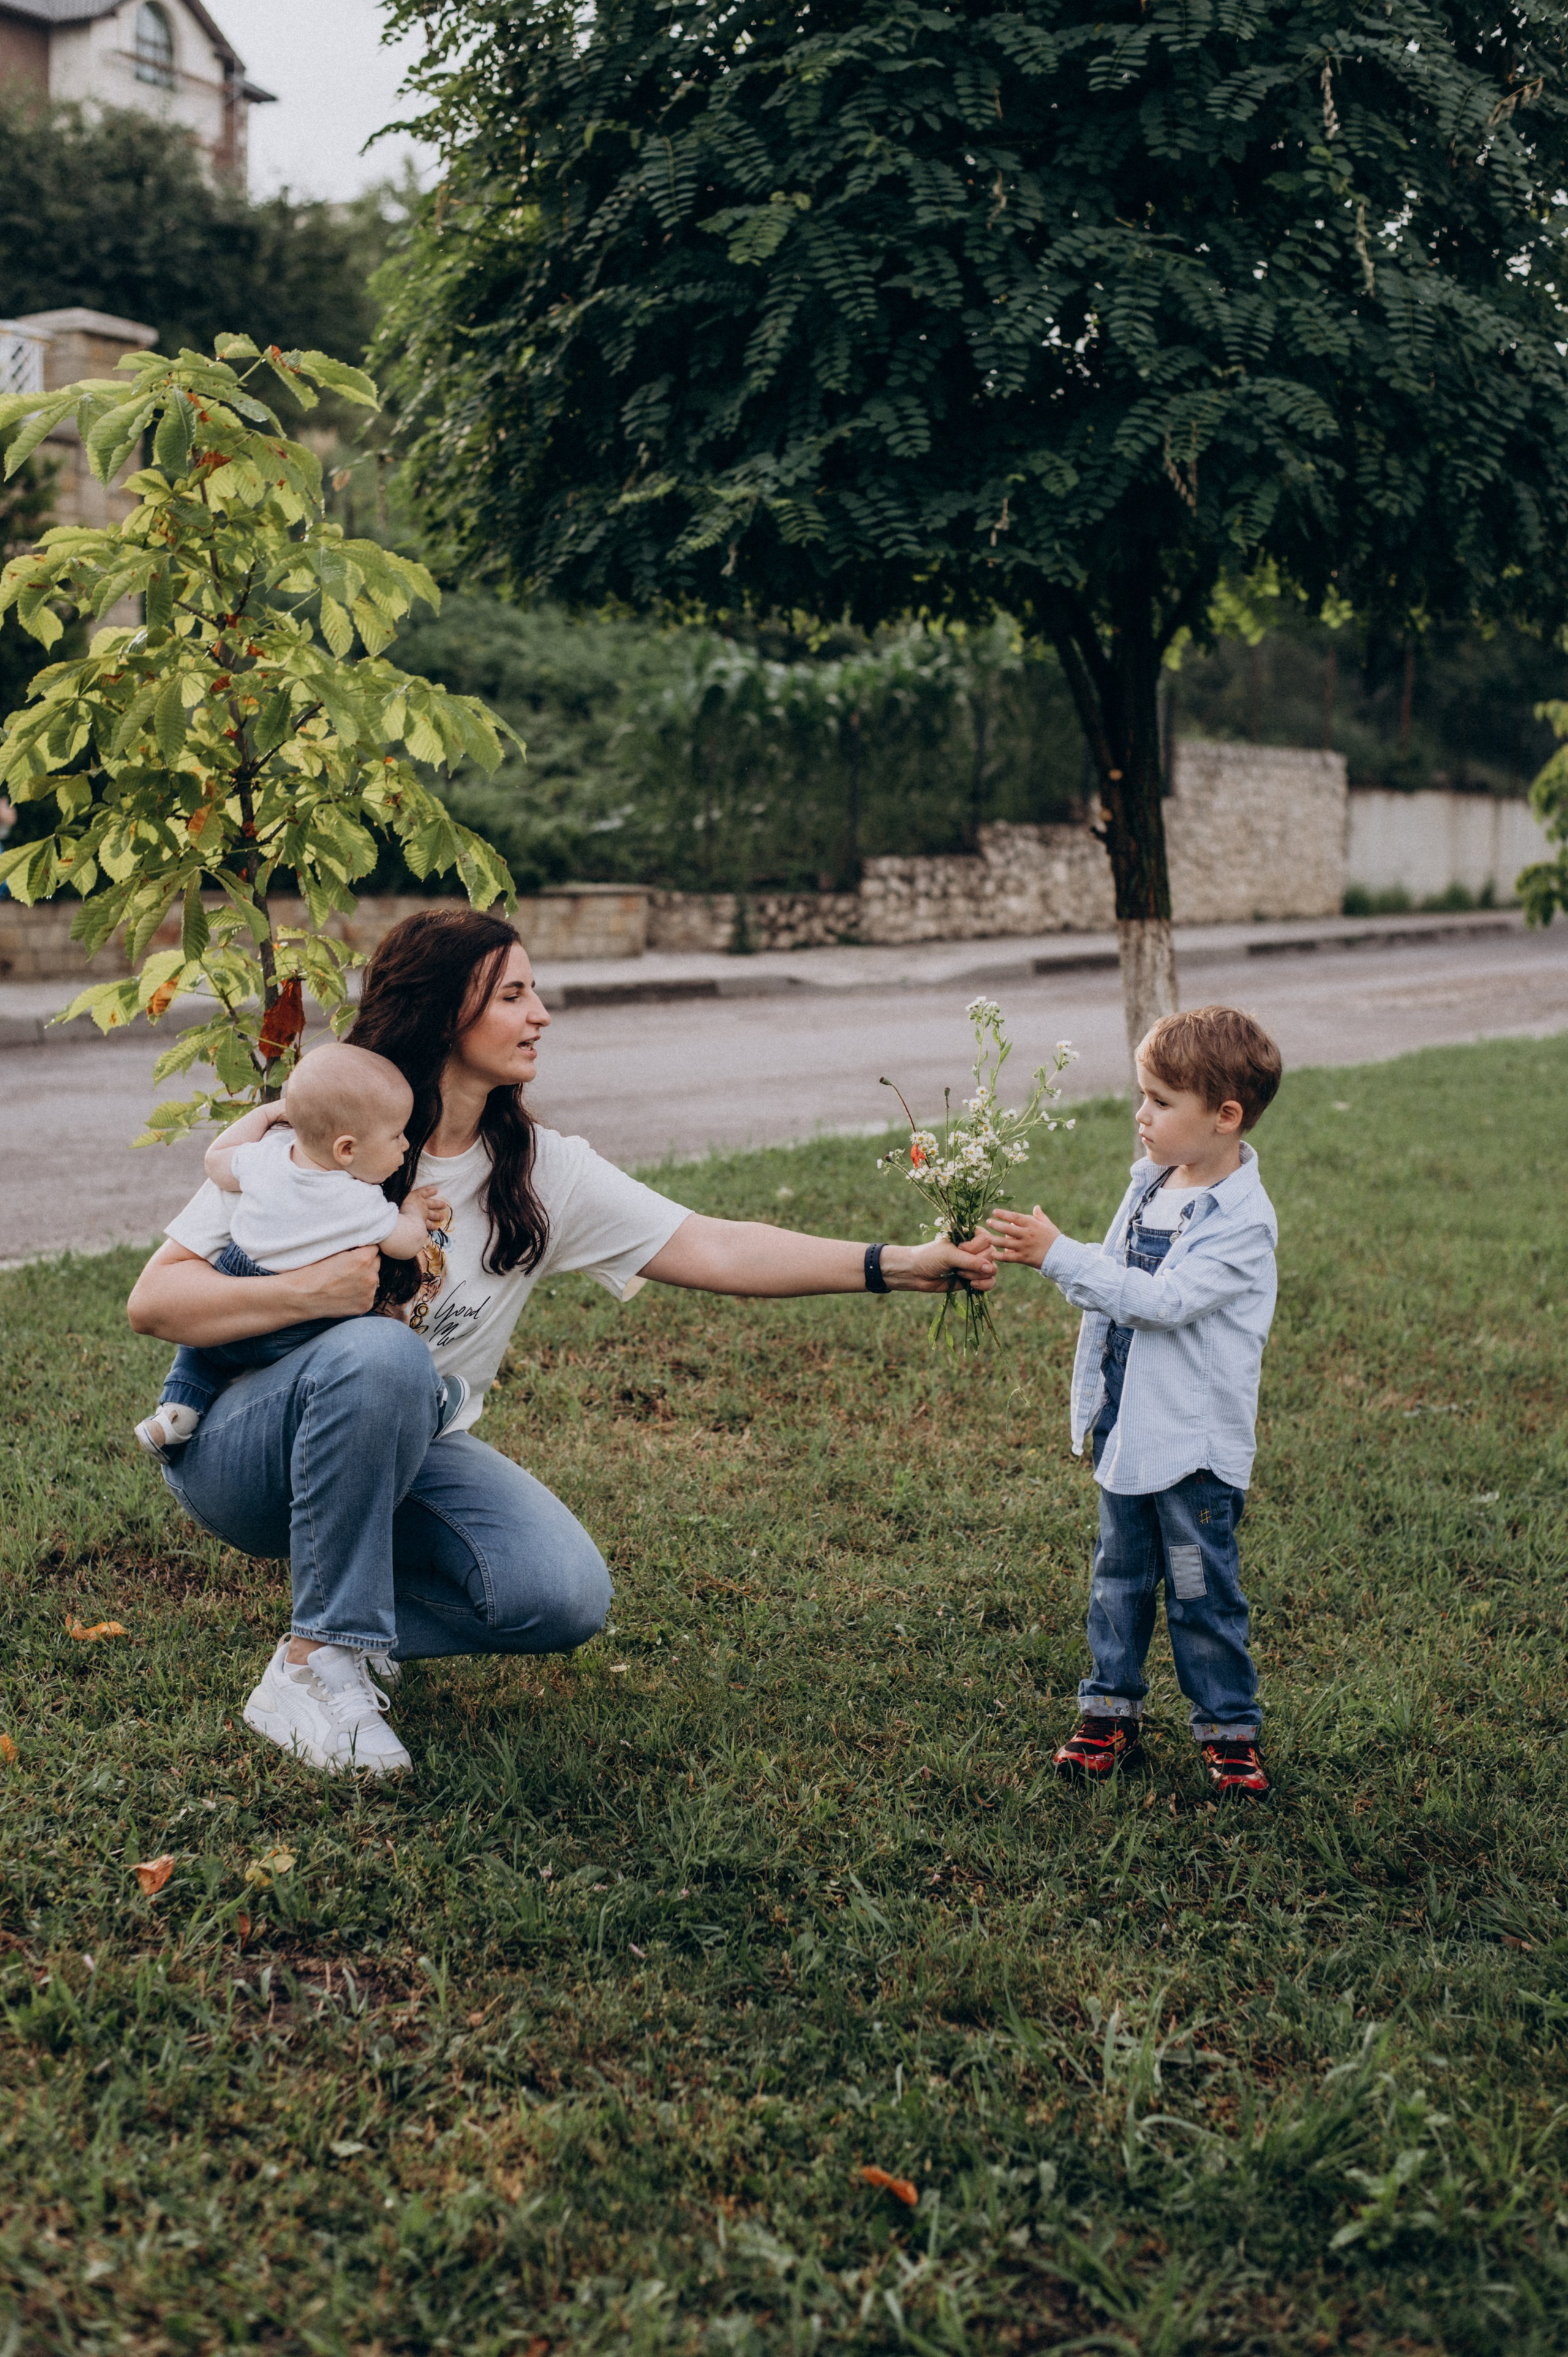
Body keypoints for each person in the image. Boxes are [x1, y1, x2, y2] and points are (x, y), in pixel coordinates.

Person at [127, 906, 996, 1778]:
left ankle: (337, 1630)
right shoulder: (319, 1145)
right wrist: (306, 1294)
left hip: (407, 1444)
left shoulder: (538, 1169)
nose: (540, 1014)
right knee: (384, 1354)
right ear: (441, 1012)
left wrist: (897, 1264)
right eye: (512, 995)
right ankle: (318, 1661)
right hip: (242, 1455)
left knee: (558, 1596)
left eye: (534, 991)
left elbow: (715, 1246)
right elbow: (156, 1300)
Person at [989, 1005, 1282, 1800]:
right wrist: (1058, 1257)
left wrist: (1060, 1256)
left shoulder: (1241, 1222)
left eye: (1159, 1100)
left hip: (1189, 1450)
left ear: (1225, 1117)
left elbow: (1160, 1302)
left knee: (1196, 1588)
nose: (1140, 1115)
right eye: (1142, 1095)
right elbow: (1117, 1288)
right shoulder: (1152, 1184)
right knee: (1118, 1576)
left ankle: (1228, 1729)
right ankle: (1109, 1711)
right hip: (1129, 1428)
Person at [134, 1041, 456, 1461]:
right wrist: (411, 1209)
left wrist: (268, 1113)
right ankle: (431, 1400)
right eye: (396, 1136)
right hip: (299, 1333)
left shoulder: (266, 1158)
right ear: (346, 1150)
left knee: (198, 1353)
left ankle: (175, 1414)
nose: (406, 1145)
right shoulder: (357, 1200)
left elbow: (216, 1160)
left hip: (235, 1299)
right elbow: (406, 1243)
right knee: (379, 1336)